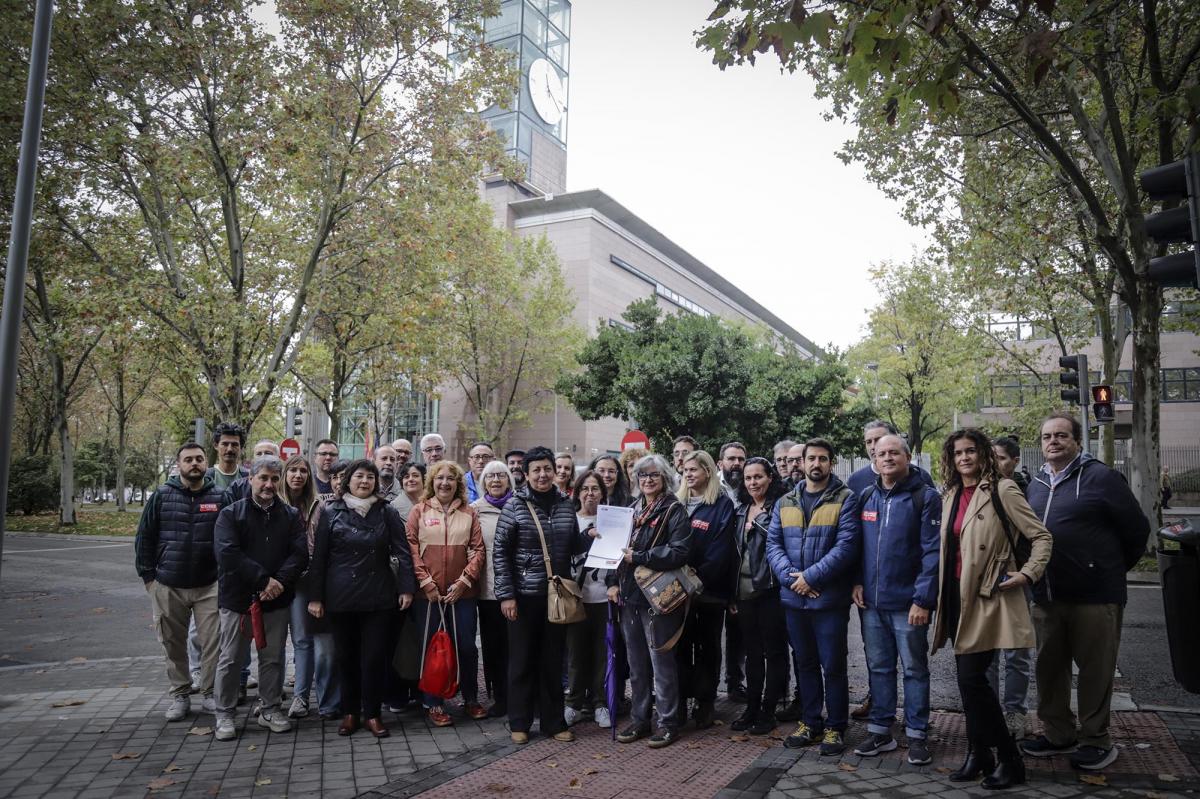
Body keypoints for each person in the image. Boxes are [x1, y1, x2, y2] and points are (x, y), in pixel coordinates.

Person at [1020, 413, 1150, 771]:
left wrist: (1105, 568)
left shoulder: (1101, 478)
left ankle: (1095, 739)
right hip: (1047, 595)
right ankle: (1058, 733)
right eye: (1047, 436)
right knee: (1049, 668)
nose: (1053, 442)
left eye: (1061, 435)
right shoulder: (1036, 484)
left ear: (1077, 441)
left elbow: (1137, 530)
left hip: (1095, 595)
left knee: (1095, 669)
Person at [931, 429, 1053, 789]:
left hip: (988, 596)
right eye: (958, 453)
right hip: (954, 595)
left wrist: (1028, 573)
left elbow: (1042, 537)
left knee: (973, 679)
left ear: (983, 454)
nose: (965, 458)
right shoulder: (951, 493)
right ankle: (979, 753)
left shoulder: (1003, 489)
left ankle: (1010, 759)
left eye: (971, 451)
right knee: (968, 683)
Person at [308, 459, 416, 738]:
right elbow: (319, 557)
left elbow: (403, 552)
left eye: (370, 477)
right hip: (340, 596)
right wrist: (316, 597)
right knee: (345, 657)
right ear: (348, 481)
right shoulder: (331, 511)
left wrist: (406, 588)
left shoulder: (387, 512)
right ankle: (350, 713)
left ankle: (373, 714)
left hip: (379, 596)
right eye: (359, 476)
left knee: (374, 658)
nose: (365, 481)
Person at [767, 439, 861, 756]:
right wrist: (795, 580)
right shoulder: (785, 502)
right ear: (803, 463)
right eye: (811, 458)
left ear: (831, 463)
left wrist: (811, 577)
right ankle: (811, 722)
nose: (816, 464)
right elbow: (774, 546)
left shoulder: (846, 499)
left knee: (832, 665)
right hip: (794, 600)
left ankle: (835, 727)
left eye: (822, 458)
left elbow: (846, 547)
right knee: (805, 664)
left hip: (829, 601)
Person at [852, 434, 941, 766]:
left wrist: (923, 600)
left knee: (915, 670)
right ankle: (880, 731)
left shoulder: (926, 497)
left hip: (909, 605)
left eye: (893, 452)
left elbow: (933, 553)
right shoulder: (865, 497)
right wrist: (857, 581)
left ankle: (917, 734)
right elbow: (857, 546)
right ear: (874, 460)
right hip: (872, 605)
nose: (886, 458)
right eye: (880, 453)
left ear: (907, 457)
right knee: (878, 668)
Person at [493, 446, 589, 744]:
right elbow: (500, 553)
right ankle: (519, 722)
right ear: (527, 473)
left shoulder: (564, 504)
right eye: (536, 470)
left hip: (555, 595)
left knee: (552, 660)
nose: (543, 474)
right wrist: (506, 596)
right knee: (521, 660)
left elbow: (572, 545)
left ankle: (554, 722)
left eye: (547, 468)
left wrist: (590, 537)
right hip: (523, 595)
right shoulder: (514, 505)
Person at [211, 456, 308, 741]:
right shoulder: (231, 514)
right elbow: (227, 553)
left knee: (273, 658)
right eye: (263, 478)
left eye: (274, 479)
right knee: (230, 658)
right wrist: (264, 580)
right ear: (250, 478)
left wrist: (277, 583)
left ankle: (270, 709)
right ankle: (225, 713)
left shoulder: (290, 515)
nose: (268, 484)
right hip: (238, 600)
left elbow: (300, 553)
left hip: (276, 600)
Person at [135, 441, 225, 720]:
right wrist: (149, 579)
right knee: (171, 644)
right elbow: (144, 538)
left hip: (210, 584)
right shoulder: (161, 495)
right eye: (188, 460)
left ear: (206, 463)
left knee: (214, 643)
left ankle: (210, 693)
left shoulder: (220, 497)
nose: (194, 463)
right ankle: (180, 695)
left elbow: (231, 539)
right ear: (179, 465)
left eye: (199, 458)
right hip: (168, 584)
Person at [609, 454, 691, 749]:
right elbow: (613, 551)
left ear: (664, 478)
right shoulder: (631, 510)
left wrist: (641, 557)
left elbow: (680, 552)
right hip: (630, 596)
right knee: (637, 663)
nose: (647, 480)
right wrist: (611, 583)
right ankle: (640, 719)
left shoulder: (674, 510)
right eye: (642, 476)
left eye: (654, 475)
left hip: (659, 598)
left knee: (662, 662)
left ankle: (668, 723)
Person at [407, 461, 487, 726]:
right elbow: (411, 549)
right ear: (432, 481)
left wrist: (464, 582)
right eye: (440, 478)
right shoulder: (419, 511)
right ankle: (433, 702)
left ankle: (471, 698)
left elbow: (477, 550)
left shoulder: (469, 513)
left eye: (450, 478)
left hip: (461, 595)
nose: (445, 483)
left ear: (458, 483)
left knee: (466, 647)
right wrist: (426, 583)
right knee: (432, 649)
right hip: (427, 596)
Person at [675, 450, 738, 729]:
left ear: (708, 472)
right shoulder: (677, 503)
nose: (688, 474)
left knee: (707, 648)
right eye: (686, 470)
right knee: (679, 647)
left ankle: (705, 702)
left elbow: (720, 551)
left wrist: (695, 582)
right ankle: (679, 701)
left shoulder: (722, 505)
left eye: (694, 470)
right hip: (675, 592)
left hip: (708, 592)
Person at [731, 458, 790, 735]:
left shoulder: (779, 508)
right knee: (753, 653)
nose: (753, 483)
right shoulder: (741, 510)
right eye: (748, 478)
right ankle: (752, 707)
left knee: (775, 652)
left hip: (770, 590)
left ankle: (769, 710)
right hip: (743, 593)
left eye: (758, 477)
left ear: (770, 478)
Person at [281, 455, 339, 720]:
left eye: (303, 471)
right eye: (292, 470)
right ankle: (269, 697)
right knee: (271, 643)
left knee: (303, 640)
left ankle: (301, 698)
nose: (298, 475)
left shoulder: (317, 506)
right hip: (272, 581)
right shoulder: (274, 502)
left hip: (304, 581)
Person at [988, 435, 1033, 737]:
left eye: (1002, 457)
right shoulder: (979, 490)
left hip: (1016, 578)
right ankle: (989, 711)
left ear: (1015, 461)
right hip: (986, 581)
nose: (996, 463)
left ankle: (1015, 712)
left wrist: (1027, 572)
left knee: (1016, 653)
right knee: (987, 651)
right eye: (992, 457)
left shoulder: (1026, 491)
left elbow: (1038, 535)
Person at [565, 470, 613, 729]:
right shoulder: (570, 520)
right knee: (575, 655)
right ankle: (573, 703)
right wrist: (586, 537)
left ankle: (599, 703)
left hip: (603, 597)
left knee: (601, 655)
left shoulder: (612, 520)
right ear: (577, 492)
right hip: (576, 598)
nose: (590, 493)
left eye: (595, 489)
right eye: (585, 488)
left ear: (603, 494)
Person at [471, 459, 515, 718]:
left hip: (516, 590)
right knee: (492, 647)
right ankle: (498, 696)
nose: (496, 480)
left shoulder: (520, 506)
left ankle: (519, 695)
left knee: (517, 646)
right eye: (490, 476)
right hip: (487, 590)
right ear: (483, 482)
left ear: (509, 479)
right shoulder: (474, 510)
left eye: (501, 475)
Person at [207, 422, 248, 491]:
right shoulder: (206, 477)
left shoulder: (248, 477)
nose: (229, 449)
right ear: (216, 445)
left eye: (234, 445)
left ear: (241, 447)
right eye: (225, 444)